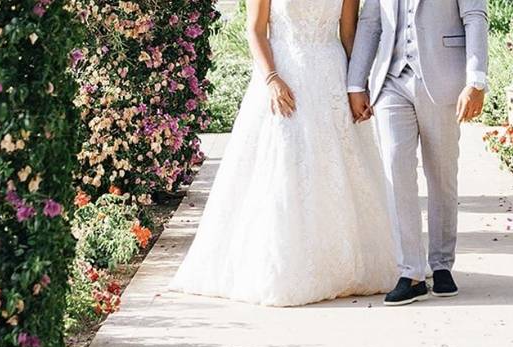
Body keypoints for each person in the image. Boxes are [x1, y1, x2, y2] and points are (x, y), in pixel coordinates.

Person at [170, 0, 398, 307]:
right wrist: (271, 79)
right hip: (285, 74)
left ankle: (340, 265)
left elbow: (348, 32)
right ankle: (286, 268)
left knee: (337, 170)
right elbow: (255, 30)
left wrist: (358, 85)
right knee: (286, 166)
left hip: (331, 77)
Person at [347, 0, 489, 306]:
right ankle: (410, 272)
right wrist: (356, 82)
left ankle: (440, 265)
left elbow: (475, 16)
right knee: (396, 171)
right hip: (390, 81)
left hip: (443, 78)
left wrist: (476, 80)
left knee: (441, 173)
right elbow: (370, 22)